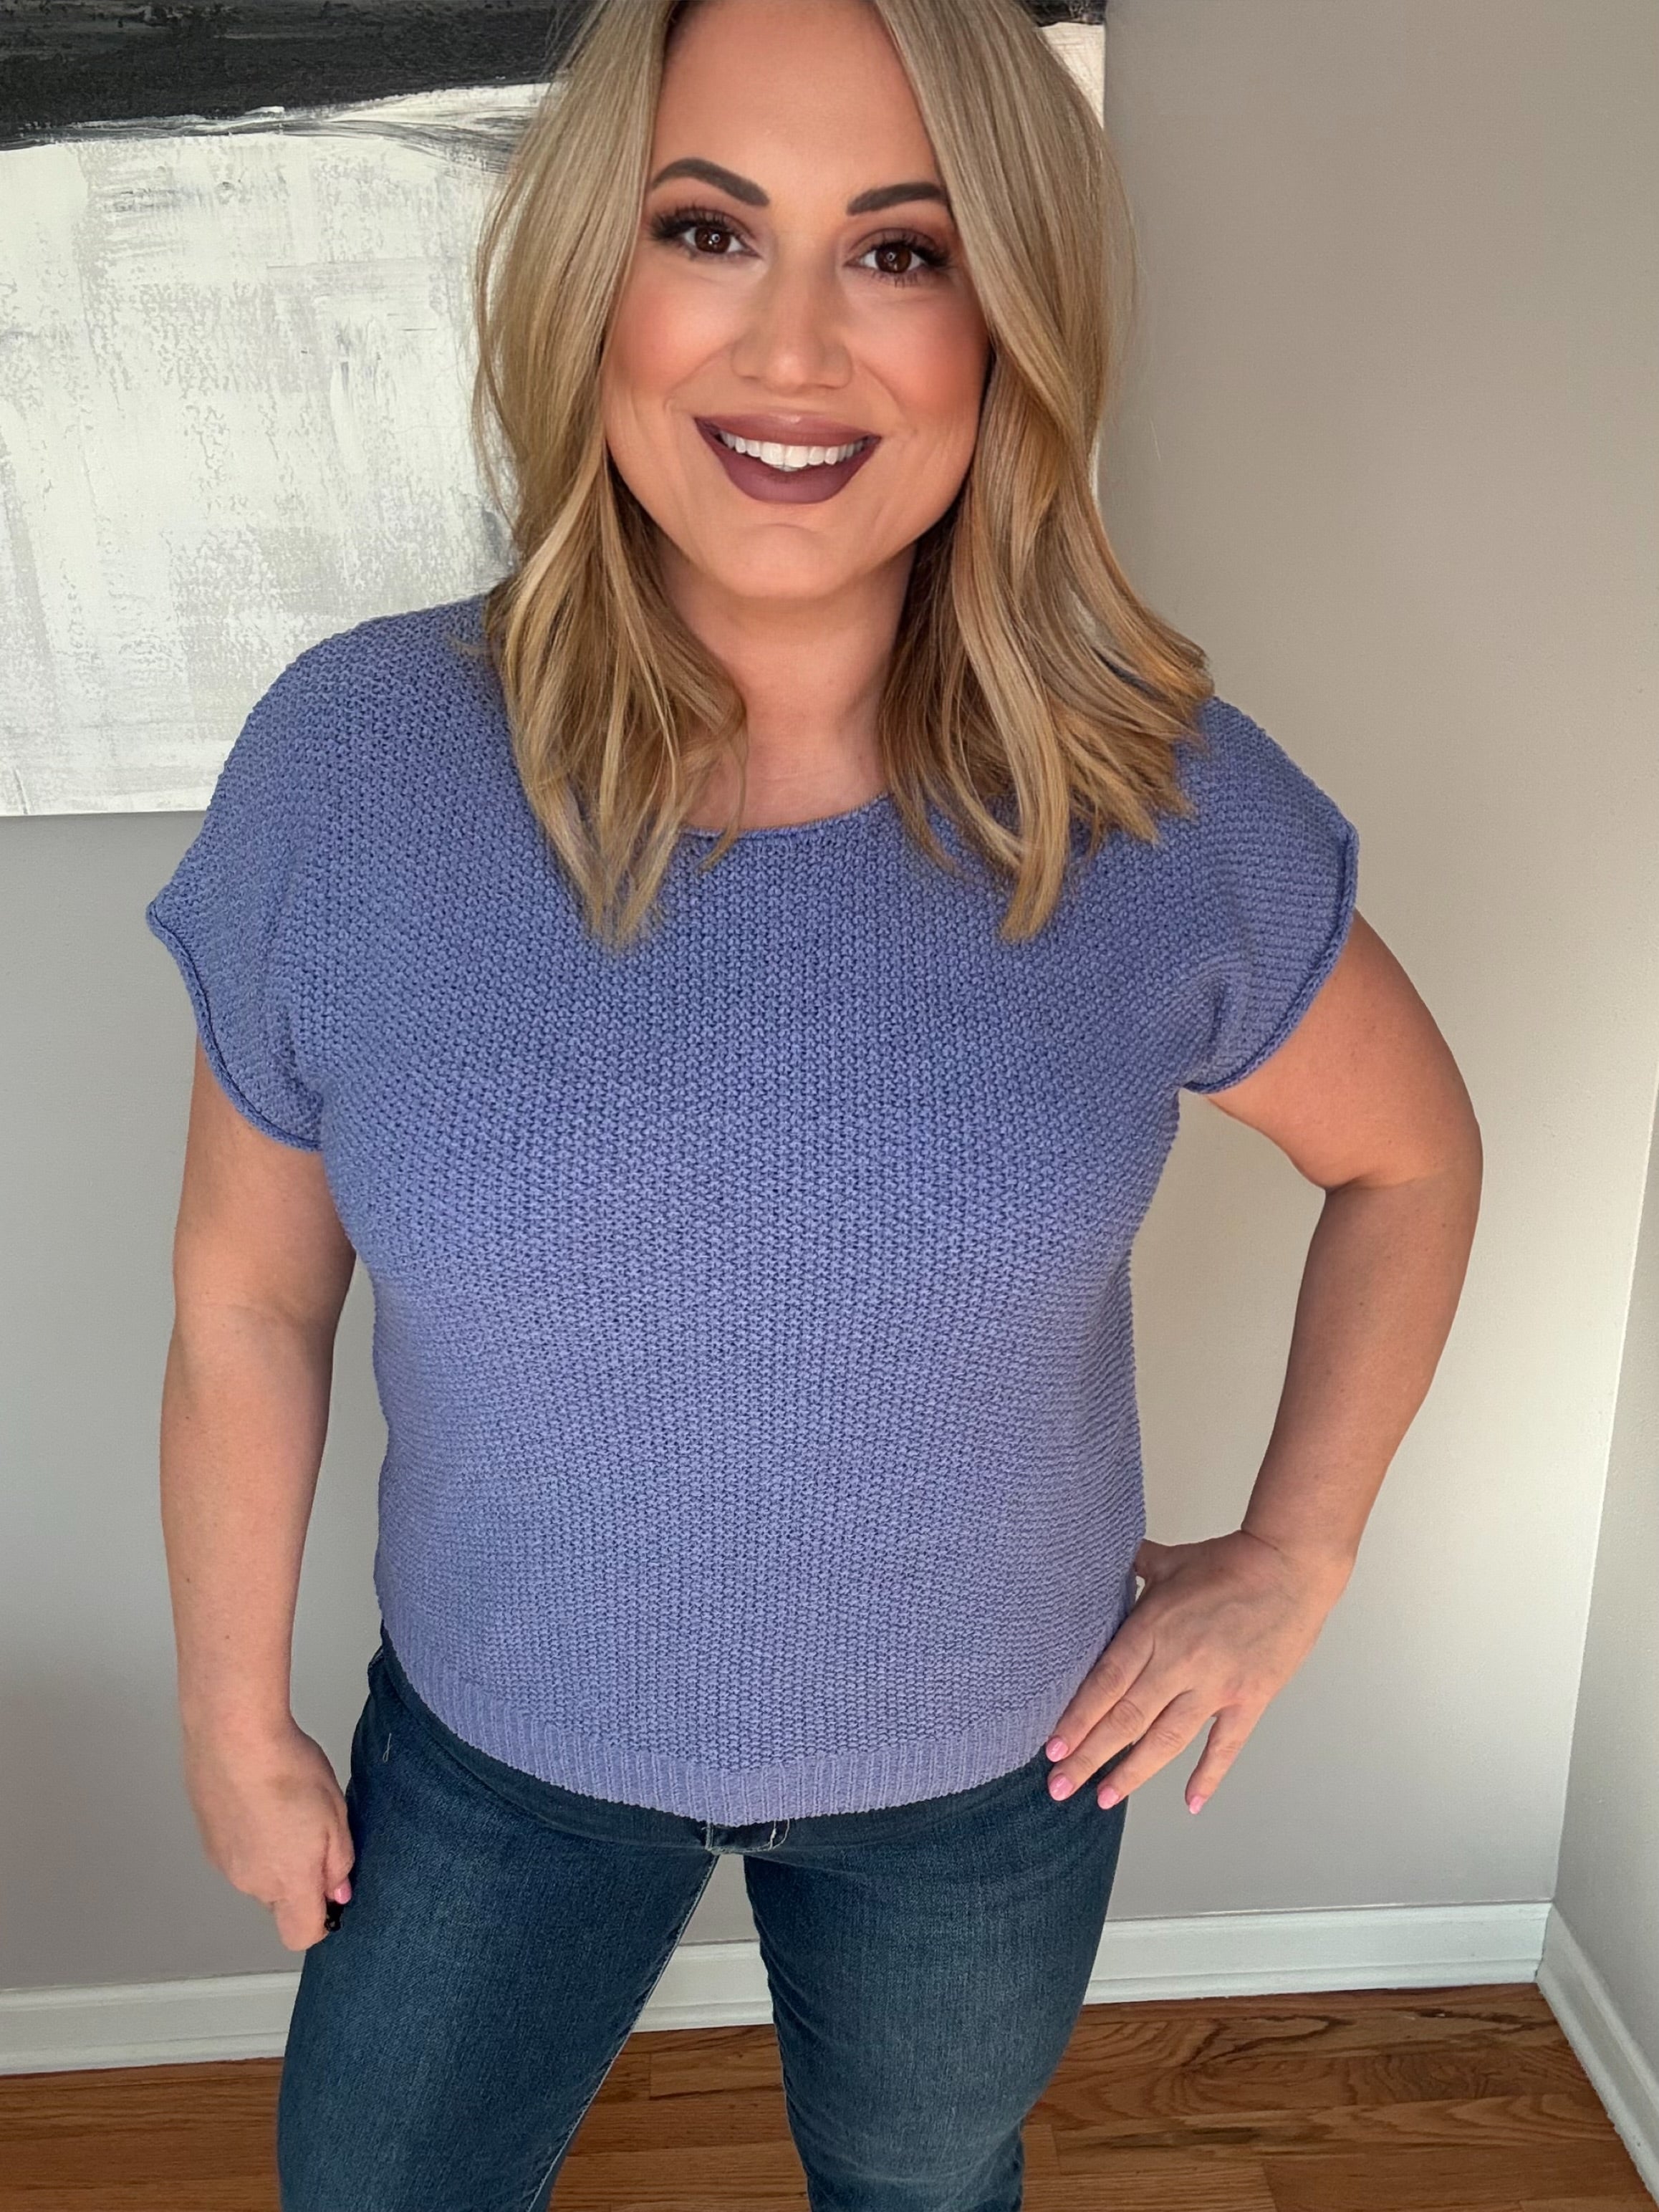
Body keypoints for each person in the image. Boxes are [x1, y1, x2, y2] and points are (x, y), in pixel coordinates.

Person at [143, 0, 1483, 2206]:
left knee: (924, 2190)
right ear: (590, 281)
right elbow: (245, 1301)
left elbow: (1406, 1156)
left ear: (1003, 321)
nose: (792, 347)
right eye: (705, 229)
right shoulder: (357, 769)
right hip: (493, 1756)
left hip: (985, 1777)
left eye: (898, 250)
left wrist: (1294, 1553)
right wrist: (229, 1718)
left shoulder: (1146, 802)